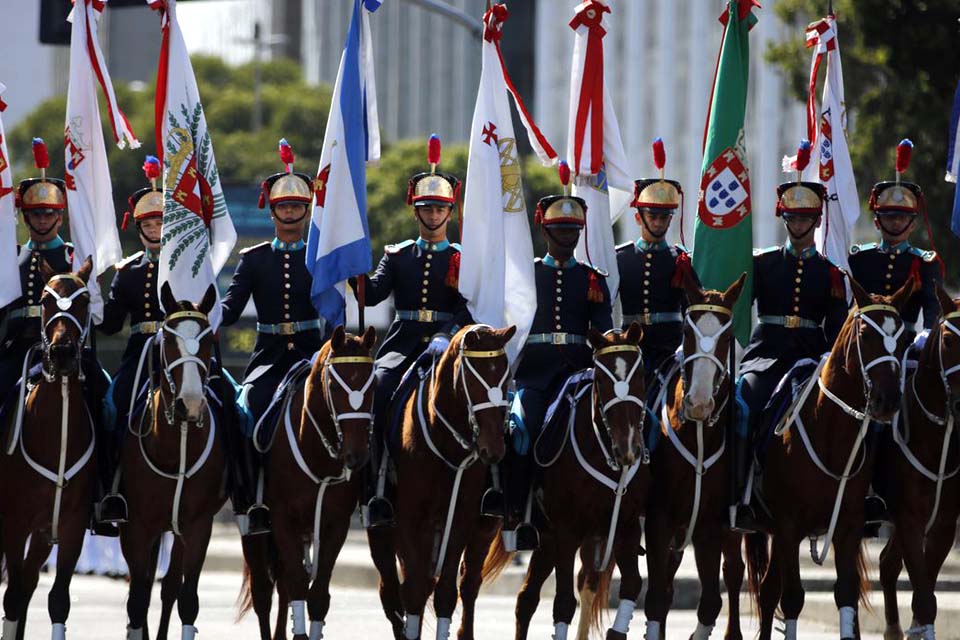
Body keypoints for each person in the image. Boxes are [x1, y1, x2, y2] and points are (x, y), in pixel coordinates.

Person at [349, 135, 471, 528]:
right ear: (415, 212)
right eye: (426, 208)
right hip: (401, 348)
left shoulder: (461, 258)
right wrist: (352, 266)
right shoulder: (398, 256)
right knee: (378, 391)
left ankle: (487, 492)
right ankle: (375, 487)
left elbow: (468, 306)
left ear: (449, 212)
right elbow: (372, 294)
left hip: (446, 350)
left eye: (440, 208)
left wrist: (448, 332)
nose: (433, 215)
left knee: (484, 405)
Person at [732, 142, 848, 533]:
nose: (798, 225)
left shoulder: (831, 273)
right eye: (793, 217)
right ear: (783, 217)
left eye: (805, 219)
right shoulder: (761, 263)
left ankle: (848, 497)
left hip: (811, 360)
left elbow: (836, 329)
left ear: (816, 221)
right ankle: (740, 495)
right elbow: (737, 305)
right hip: (765, 357)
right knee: (743, 404)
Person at [0, 137, 113, 531]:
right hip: (19, 351)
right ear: (24, 217)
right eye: (35, 214)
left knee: (110, 405)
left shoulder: (73, 257)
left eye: (50, 213)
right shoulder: (10, 257)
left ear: (61, 217)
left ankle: (105, 493)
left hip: (70, 352)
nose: (43, 220)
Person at [504, 161, 613, 551]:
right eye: (559, 229)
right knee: (520, 430)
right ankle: (517, 512)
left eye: (572, 230)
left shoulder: (592, 278)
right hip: (535, 375)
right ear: (545, 230)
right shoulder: (527, 273)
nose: (566, 236)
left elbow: (603, 331)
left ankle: (618, 513)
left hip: (578, 376)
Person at [220, 139, 324, 535]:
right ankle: (250, 496)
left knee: (350, 411)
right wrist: (200, 309)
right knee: (245, 412)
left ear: (307, 210)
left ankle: (355, 493)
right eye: (284, 207)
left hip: (313, 354)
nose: (290, 213)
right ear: (273, 211)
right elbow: (230, 310)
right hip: (269, 358)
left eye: (297, 206)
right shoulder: (254, 259)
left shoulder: (320, 257)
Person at [616, 138, 697, 387]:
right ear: (638, 218)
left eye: (664, 216)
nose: (659, 222)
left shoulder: (681, 260)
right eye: (652, 216)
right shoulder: (621, 258)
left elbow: (693, 310)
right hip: (630, 349)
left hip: (671, 349)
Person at [849, 139, 942, 342]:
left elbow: (933, 304)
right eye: (890, 217)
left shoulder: (925, 262)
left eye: (903, 217)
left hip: (905, 341)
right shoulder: (860, 257)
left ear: (913, 224)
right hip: (863, 340)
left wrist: (928, 331)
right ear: (877, 222)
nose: (897, 222)